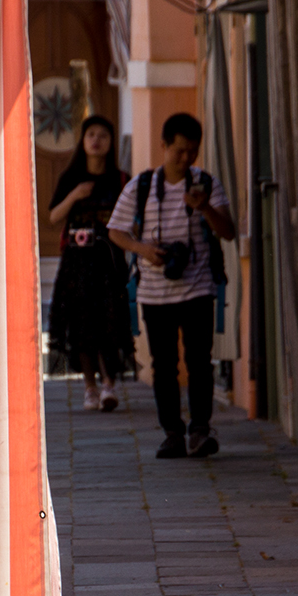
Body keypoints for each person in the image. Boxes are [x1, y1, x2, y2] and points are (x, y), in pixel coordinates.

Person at [107, 112, 235, 458]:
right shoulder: (142, 186)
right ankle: (172, 433)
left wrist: (205, 207)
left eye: (192, 151)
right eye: (179, 150)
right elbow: (115, 231)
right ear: (163, 146)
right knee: (163, 365)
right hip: (154, 291)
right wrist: (144, 250)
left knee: (199, 360)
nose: (186, 158)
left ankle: (200, 430)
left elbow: (229, 231)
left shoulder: (206, 184)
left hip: (198, 288)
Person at [46, 115, 137, 411]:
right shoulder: (70, 178)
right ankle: (90, 388)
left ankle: (109, 384)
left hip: (109, 261)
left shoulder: (121, 180)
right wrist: (74, 195)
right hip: (77, 261)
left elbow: (133, 220)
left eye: (103, 136)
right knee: (81, 324)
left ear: (111, 143)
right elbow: (53, 217)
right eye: (91, 135)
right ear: (83, 141)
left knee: (109, 323)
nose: (97, 140)